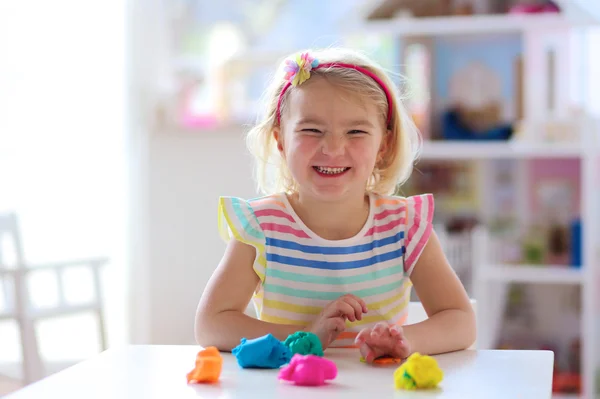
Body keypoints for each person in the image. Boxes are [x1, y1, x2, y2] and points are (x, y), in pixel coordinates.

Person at [195, 48, 475, 363]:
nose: (333, 148)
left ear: (382, 145)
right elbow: (211, 324)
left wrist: (403, 340)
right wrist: (307, 334)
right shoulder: (260, 228)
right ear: (281, 140)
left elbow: (460, 321)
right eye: (312, 130)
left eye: (355, 131)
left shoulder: (404, 226)